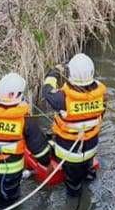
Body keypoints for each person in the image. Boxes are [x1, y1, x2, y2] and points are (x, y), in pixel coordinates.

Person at [0, 73, 52, 204]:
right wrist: (47, 164)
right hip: (11, 173)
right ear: (15, 95)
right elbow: (40, 151)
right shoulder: (25, 121)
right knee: (7, 201)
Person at [43, 53, 107, 197]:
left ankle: (74, 200)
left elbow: (46, 90)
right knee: (88, 171)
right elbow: (100, 115)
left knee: (74, 186)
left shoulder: (61, 99)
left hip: (69, 153)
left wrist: (54, 72)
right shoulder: (102, 95)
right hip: (91, 148)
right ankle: (89, 176)